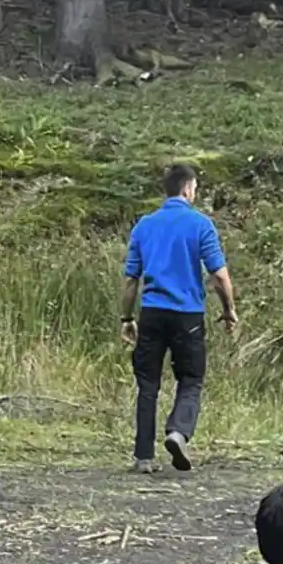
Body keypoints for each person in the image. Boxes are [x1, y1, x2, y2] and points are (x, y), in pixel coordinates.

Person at [121, 163, 238, 473]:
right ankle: (178, 431)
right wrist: (229, 310)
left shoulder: (145, 226)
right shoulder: (200, 224)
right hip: (188, 315)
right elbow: (219, 276)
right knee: (191, 379)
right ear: (187, 189)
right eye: (195, 188)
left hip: (152, 313)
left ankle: (143, 456)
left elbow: (131, 279)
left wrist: (126, 318)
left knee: (148, 384)